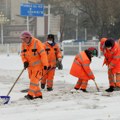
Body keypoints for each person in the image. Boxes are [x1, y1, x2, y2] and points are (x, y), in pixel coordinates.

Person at [20, 31, 48, 100]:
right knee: (34, 82)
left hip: (38, 66)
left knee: (34, 80)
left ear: (28, 37)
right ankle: (38, 95)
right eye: (22, 39)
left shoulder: (37, 42)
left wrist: (45, 64)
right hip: (30, 67)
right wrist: (25, 62)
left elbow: (43, 54)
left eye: (24, 39)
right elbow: (22, 55)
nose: (23, 40)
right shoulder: (23, 44)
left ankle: (30, 95)